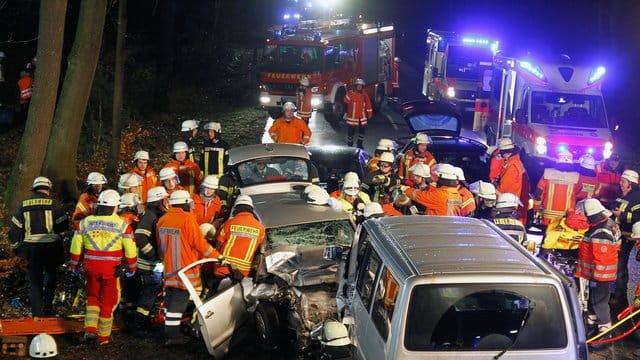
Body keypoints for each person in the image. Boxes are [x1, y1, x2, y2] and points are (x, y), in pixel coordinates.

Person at [69, 190, 137, 345]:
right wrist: (131, 268)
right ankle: (103, 337)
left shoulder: (84, 222)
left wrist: (74, 265)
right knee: (108, 302)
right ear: (115, 207)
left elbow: (75, 246)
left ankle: (90, 330)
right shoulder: (123, 225)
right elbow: (131, 250)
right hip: (111, 270)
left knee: (92, 298)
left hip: (90, 268)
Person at [156, 190, 222, 345]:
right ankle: (173, 337)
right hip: (185, 270)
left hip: (169, 269)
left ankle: (168, 331)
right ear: (185, 203)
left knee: (170, 299)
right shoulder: (188, 220)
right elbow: (200, 245)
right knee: (179, 301)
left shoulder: (163, 220)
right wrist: (217, 257)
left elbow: (160, 246)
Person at [8, 177, 68, 317]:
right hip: (51, 248)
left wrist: (17, 247)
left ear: (34, 189)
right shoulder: (55, 204)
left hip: (31, 249)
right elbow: (63, 226)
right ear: (48, 189)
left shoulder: (22, 205)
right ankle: (47, 308)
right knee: (50, 277)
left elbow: (14, 229)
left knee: (35, 281)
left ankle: (37, 312)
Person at [576, 198, 621, 343]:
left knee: (599, 302)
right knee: (595, 301)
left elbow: (602, 259)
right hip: (601, 274)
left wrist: (596, 278)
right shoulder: (609, 224)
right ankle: (594, 323)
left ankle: (605, 332)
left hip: (600, 276)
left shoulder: (601, 231)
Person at [131, 186, 170, 338]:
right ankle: (139, 326)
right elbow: (140, 237)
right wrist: (152, 255)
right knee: (149, 295)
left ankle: (143, 323)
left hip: (152, 265)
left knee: (150, 294)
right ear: (158, 201)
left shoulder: (155, 214)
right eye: (164, 199)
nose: (166, 201)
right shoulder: (150, 216)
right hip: (150, 266)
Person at [214, 195, 266, 282]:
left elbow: (217, 244)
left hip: (224, 268)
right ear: (251, 209)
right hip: (244, 274)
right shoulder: (260, 228)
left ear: (236, 208)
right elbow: (260, 251)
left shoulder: (230, 223)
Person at [611, 169, 640, 305]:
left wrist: (621, 216)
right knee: (615, 264)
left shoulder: (637, 197)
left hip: (629, 237)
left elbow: (637, 216)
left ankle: (620, 295)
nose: (620, 183)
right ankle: (616, 291)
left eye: (623, 181)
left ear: (631, 183)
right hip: (617, 234)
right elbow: (615, 205)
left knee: (621, 265)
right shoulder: (623, 195)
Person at [531, 151, 579, 227]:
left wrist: (535, 208)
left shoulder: (547, 174)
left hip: (548, 217)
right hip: (566, 217)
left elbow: (538, 193)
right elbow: (578, 195)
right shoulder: (576, 178)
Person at [494, 138, 530, 225]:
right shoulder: (514, 162)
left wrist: (492, 194)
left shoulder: (512, 165)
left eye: (501, 153)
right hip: (514, 201)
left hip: (508, 203)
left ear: (504, 152)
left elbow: (503, 188)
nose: (501, 156)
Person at [344, 78, 372, 148]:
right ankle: (350, 143)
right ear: (355, 86)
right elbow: (345, 101)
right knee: (351, 131)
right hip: (352, 116)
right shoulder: (350, 93)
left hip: (361, 116)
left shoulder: (364, 94)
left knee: (362, 131)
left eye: (361, 86)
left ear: (362, 86)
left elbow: (368, 103)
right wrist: (349, 94)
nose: (359, 87)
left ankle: (359, 143)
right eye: (358, 85)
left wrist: (369, 113)